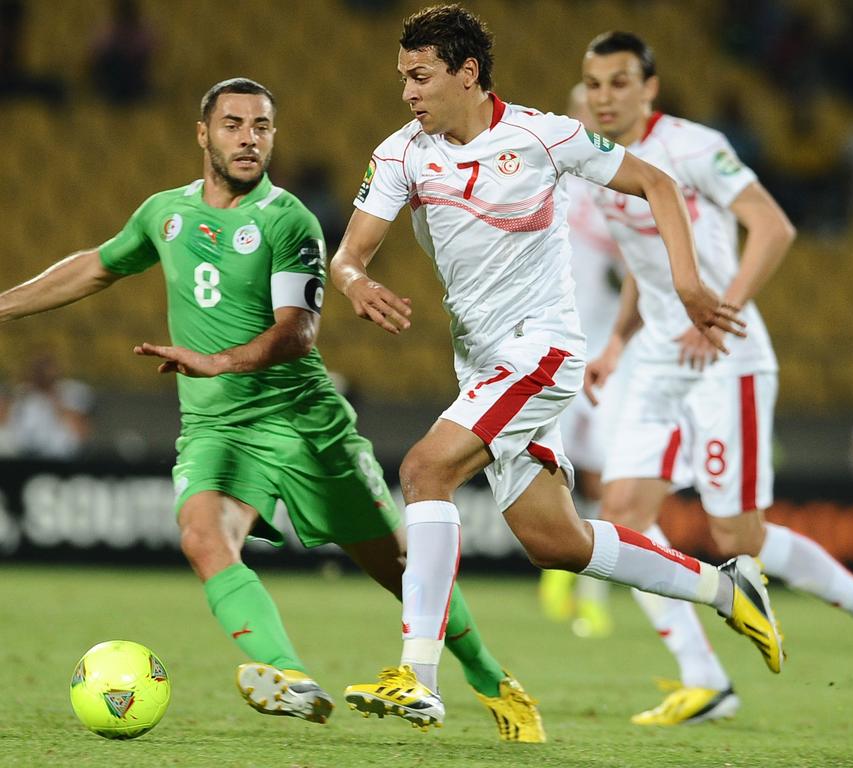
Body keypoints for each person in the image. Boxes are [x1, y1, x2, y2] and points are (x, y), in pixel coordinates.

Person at [0, 76, 547, 743]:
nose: (248, 138)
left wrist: (218, 361)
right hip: (215, 427)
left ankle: (493, 681)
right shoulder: (162, 214)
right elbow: (95, 266)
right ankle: (288, 675)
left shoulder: (288, 219)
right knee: (203, 536)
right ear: (203, 134)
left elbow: (298, 331)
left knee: (403, 569)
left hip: (302, 421)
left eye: (262, 126)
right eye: (233, 124)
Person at [331, 4, 783, 734]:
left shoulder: (547, 136)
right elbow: (351, 252)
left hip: (540, 351)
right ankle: (724, 589)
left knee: (424, 470)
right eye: (402, 78)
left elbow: (661, 186)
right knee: (557, 543)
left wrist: (691, 283)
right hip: (483, 365)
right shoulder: (402, 153)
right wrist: (355, 281)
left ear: (466, 72)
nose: (408, 93)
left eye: (420, 76)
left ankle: (416, 676)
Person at [579, 31, 853, 724]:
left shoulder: (695, 147)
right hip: (657, 356)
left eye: (619, 82)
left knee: (738, 539)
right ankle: (705, 678)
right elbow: (649, 268)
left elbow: (773, 227)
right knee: (623, 517)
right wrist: (616, 341)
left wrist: (719, 313)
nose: (604, 95)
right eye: (594, 83)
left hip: (723, 351)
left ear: (650, 89)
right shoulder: (596, 161)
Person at [537, 83, 625, 640]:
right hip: (557, 345)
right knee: (555, 466)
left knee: (612, 476)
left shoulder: (623, 181)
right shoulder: (546, 175)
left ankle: (593, 592)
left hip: (612, 352)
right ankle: (558, 569)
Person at [0, 354, 93, 459]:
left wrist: (54, 398)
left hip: (59, 454)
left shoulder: (72, 391)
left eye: (47, 368)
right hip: (22, 451)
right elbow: (4, 420)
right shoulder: (22, 392)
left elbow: (81, 430)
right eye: (38, 369)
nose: (42, 373)